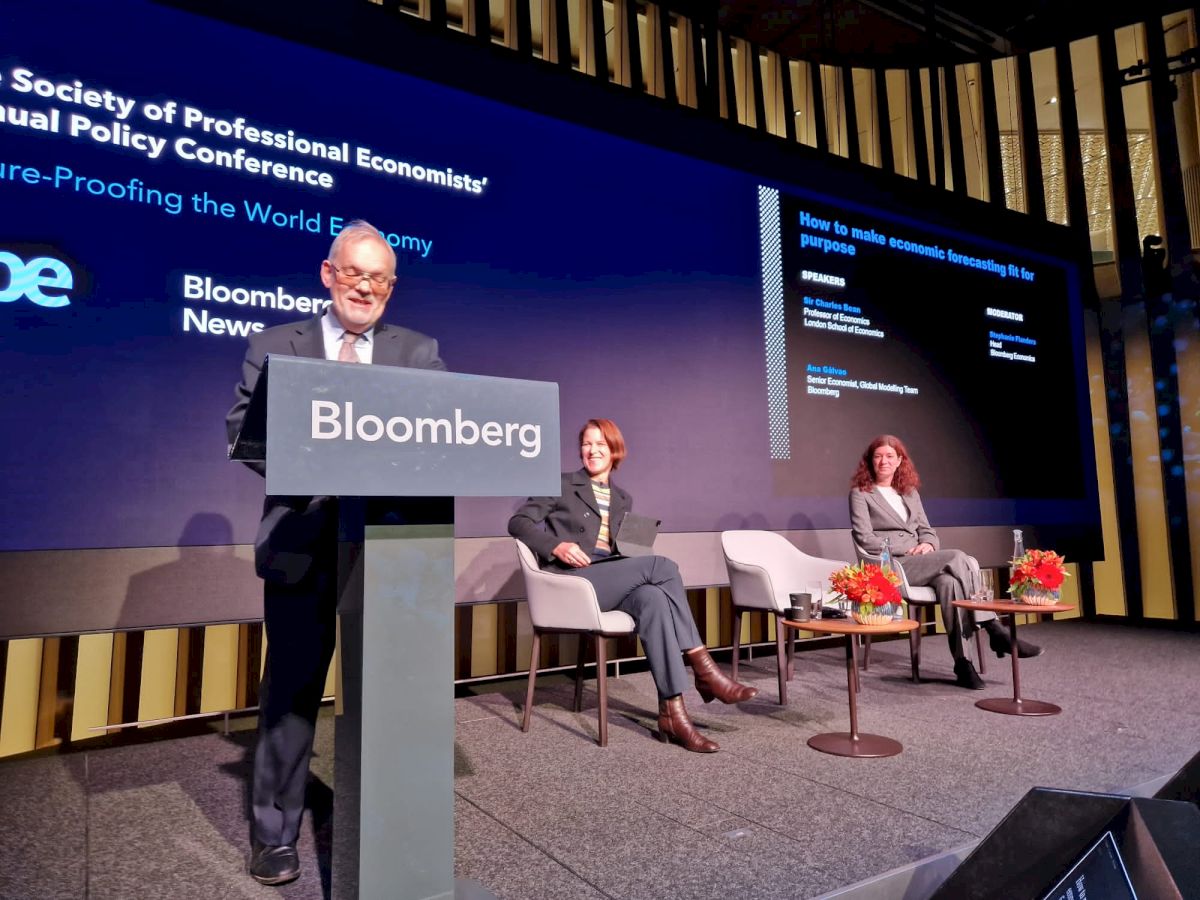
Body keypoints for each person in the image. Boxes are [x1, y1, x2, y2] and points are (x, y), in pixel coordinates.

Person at [225, 220, 445, 886]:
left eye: (380, 279)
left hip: (389, 552)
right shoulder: (275, 345)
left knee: (391, 698)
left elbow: (443, 432)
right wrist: (327, 463)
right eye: (355, 274)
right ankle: (275, 835)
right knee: (291, 693)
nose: (366, 289)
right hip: (303, 542)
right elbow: (245, 433)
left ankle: (392, 823)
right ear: (328, 274)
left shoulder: (418, 351)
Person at [509, 418, 758, 752]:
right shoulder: (562, 483)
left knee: (653, 597)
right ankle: (705, 669)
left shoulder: (623, 498)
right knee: (663, 566)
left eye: (600, 444)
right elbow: (518, 522)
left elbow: (622, 554)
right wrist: (557, 546)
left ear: (615, 451)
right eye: (586, 443)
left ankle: (673, 712)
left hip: (607, 576)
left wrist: (636, 550)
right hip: (572, 583)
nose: (592, 450)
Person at [848, 434, 1041, 691]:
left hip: (923, 560)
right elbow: (865, 538)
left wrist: (928, 544)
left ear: (899, 461)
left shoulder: (909, 493)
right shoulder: (861, 494)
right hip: (891, 566)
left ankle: (963, 663)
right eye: (878, 456)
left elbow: (927, 530)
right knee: (958, 557)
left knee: (949, 582)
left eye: (889, 456)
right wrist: (909, 548)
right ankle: (993, 627)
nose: (883, 461)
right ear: (870, 461)